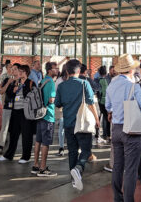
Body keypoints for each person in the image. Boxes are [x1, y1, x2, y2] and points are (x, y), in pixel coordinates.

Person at [106, 54, 141, 201]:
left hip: (116, 129)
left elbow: (108, 106)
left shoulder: (111, 84)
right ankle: (129, 199)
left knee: (118, 166)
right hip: (132, 130)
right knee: (131, 169)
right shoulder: (134, 87)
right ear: (131, 69)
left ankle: (117, 198)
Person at [55, 59, 100, 191]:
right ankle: (78, 168)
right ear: (79, 71)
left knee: (72, 151)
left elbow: (57, 103)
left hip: (68, 122)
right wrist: (97, 119)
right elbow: (91, 103)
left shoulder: (62, 86)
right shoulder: (84, 83)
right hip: (82, 123)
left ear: (67, 72)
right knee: (86, 150)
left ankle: (74, 178)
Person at [0, 64, 35, 163]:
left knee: (26, 135)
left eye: (21, 71)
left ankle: (25, 157)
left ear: (26, 73)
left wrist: (23, 89)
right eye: (19, 71)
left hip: (26, 112)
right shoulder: (16, 82)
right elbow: (10, 94)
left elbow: (33, 96)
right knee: (13, 134)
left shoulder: (30, 83)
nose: (19, 73)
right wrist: (14, 90)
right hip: (15, 111)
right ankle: (8, 155)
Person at [32, 61, 58, 177]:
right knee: (46, 142)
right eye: (55, 68)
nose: (57, 70)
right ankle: (43, 168)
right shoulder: (51, 82)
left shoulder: (42, 81)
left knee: (38, 140)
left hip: (40, 114)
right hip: (48, 115)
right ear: (49, 70)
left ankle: (36, 165)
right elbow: (51, 99)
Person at [0, 63, 19, 155]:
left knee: (15, 129)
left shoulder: (22, 81)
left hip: (17, 107)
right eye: (11, 69)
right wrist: (9, 83)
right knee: (5, 127)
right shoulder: (7, 79)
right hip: (8, 106)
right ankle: (1, 145)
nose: (12, 71)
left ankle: (12, 147)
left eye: (15, 69)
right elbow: (1, 91)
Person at [55, 64, 68, 156]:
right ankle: (61, 146)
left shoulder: (59, 81)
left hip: (64, 107)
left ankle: (62, 147)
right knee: (62, 127)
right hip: (63, 107)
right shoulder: (59, 81)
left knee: (63, 127)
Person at [97, 66, 111, 141]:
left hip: (101, 102)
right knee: (107, 118)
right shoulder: (108, 80)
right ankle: (107, 135)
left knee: (99, 117)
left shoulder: (98, 80)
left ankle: (98, 133)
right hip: (107, 102)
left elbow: (99, 91)